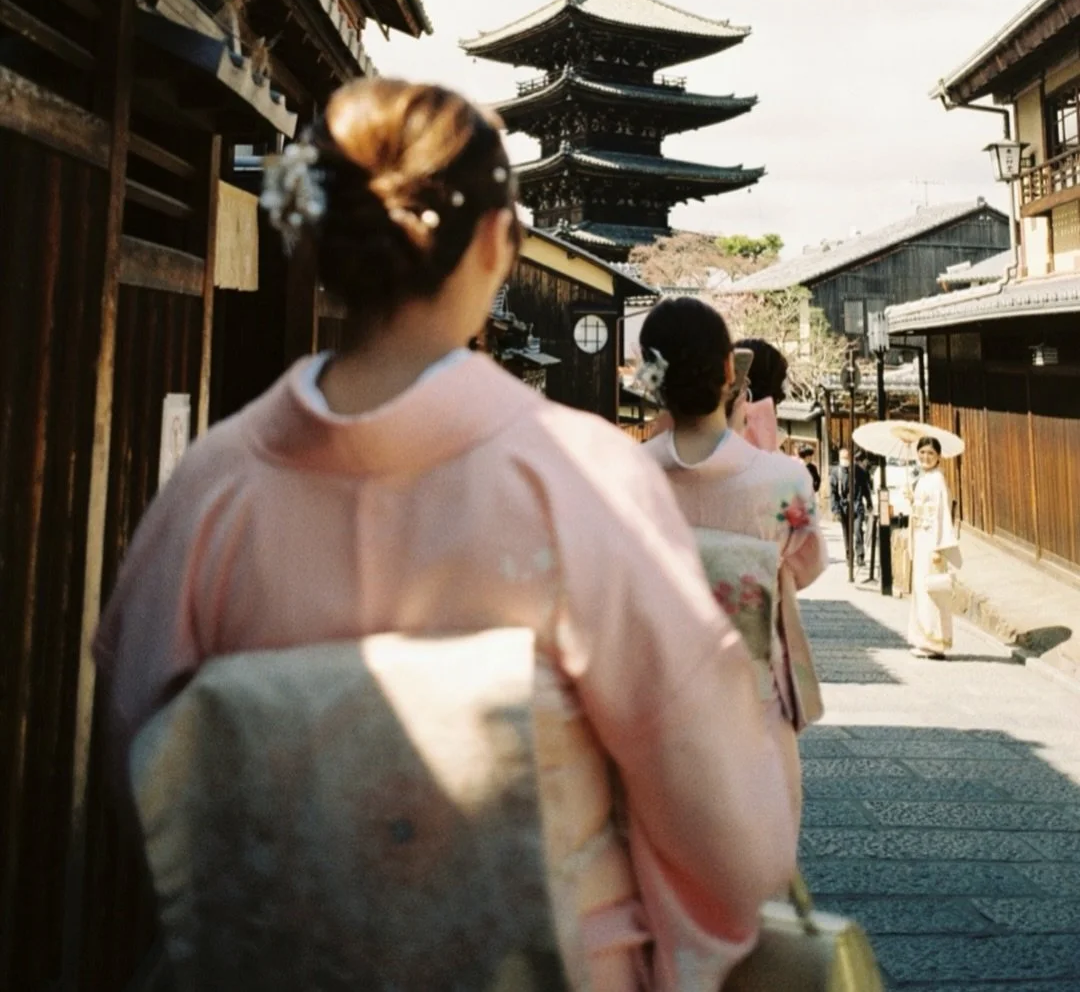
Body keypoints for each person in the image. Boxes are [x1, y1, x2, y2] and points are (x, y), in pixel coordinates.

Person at [93, 79, 797, 992]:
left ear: (317, 234)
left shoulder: (210, 488)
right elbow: (726, 836)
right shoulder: (580, 478)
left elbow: (142, 773)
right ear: (500, 241)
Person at [639, 299, 828, 822]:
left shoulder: (620, 474)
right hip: (752, 696)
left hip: (650, 698)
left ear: (649, 378)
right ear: (730, 371)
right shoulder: (785, 479)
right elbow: (805, 567)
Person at [908, 435, 961, 659]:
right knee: (922, 589)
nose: (926, 457)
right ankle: (924, 639)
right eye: (922, 452)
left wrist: (940, 547)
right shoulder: (924, 478)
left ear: (938, 456)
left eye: (930, 453)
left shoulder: (937, 479)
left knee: (931, 590)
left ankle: (934, 642)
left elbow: (942, 514)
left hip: (932, 540)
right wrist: (912, 500)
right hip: (921, 537)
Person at [829, 447, 873, 568]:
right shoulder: (835, 472)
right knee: (847, 534)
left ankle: (860, 555)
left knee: (858, 530)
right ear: (839, 458)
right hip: (843, 507)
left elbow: (866, 488)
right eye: (843, 457)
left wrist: (869, 502)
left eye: (847, 457)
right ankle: (849, 556)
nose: (845, 460)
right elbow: (833, 493)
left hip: (857, 505)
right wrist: (836, 510)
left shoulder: (859, 471)